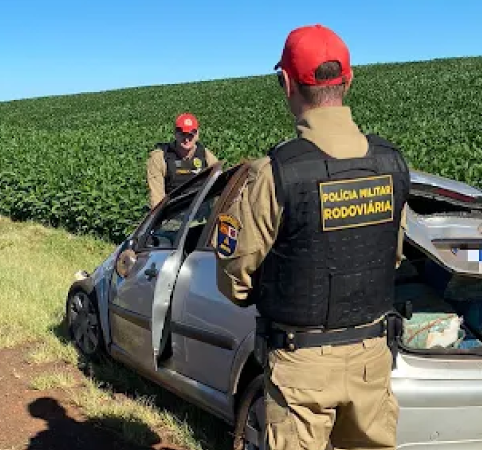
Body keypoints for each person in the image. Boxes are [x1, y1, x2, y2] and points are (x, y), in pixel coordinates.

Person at [213, 24, 410, 450]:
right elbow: (393, 255)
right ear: (349, 79)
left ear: (285, 82)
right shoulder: (391, 165)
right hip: (372, 358)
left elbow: (234, 273)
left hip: (302, 363)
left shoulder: (276, 172)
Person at [146, 112, 220, 208]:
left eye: (190, 135)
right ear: (175, 133)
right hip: (172, 216)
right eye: (183, 134)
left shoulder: (206, 156)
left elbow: (219, 187)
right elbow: (156, 197)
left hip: (201, 214)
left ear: (197, 135)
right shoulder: (160, 158)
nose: (186, 139)